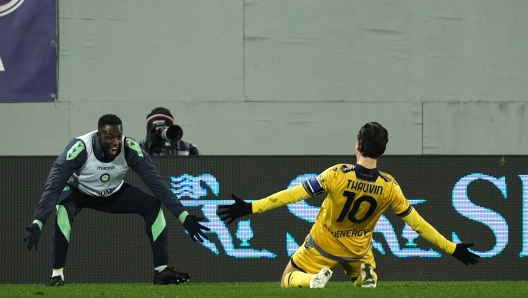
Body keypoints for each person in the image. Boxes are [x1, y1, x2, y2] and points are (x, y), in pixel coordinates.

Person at [217, 122, 480, 289]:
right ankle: (366, 277)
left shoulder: (337, 174)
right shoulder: (390, 187)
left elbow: (293, 195)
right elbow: (417, 224)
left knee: (286, 279)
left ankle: (312, 280)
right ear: (381, 151)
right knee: (365, 272)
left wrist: (252, 208)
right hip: (357, 251)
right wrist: (452, 247)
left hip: (322, 247)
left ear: (358, 145)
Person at [23, 114, 210, 286]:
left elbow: (157, 184)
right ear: (98, 136)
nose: (115, 142)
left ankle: (161, 271)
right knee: (62, 210)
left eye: (118, 136)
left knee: (152, 205)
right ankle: (57, 275)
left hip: (113, 192)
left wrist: (184, 216)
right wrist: (38, 221)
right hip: (78, 192)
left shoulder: (129, 148)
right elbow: (53, 187)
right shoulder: (79, 148)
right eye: (109, 137)